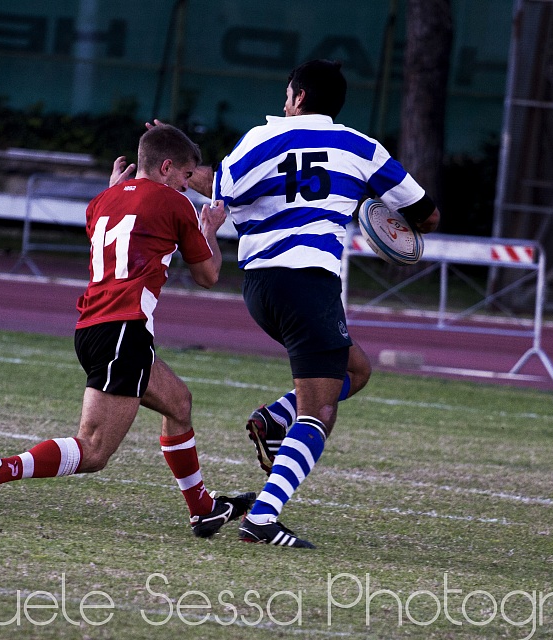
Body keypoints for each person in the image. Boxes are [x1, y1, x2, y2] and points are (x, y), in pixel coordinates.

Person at [0, 124, 253, 538]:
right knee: (92, 451)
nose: (190, 186)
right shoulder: (175, 203)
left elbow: (110, 223)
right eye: (186, 176)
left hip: (96, 326)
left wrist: (115, 190)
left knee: (179, 403)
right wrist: (210, 229)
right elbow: (208, 275)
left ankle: (202, 509)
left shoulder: (102, 200)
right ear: (166, 168)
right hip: (122, 331)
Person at [190, 59, 441, 548]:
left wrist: (178, 166)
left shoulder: (260, 139)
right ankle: (262, 518)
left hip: (260, 289)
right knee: (320, 412)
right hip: (310, 284)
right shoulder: (361, 148)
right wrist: (380, 214)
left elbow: (218, 185)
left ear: (299, 98)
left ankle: (273, 419)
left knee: (358, 370)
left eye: (287, 94)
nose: (283, 103)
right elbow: (427, 216)